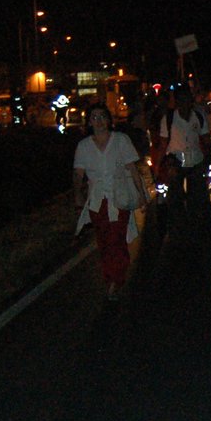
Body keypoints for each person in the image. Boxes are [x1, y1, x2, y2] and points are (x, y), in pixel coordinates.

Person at [73, 103, 148, 299]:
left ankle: (116, 280)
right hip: (97, 201)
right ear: (89, 122)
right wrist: (78, 197)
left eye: (102, 116)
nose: (98, 121)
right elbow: (78, 174)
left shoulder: (121, 140)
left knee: (117, 238)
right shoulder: (84, 147)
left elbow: (132, 168)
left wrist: (141, 195)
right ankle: (110, 278)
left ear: (109, 120)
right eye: (94, 117)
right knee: (104, 241)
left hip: (118, 198)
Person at [156, 84, 208, 216]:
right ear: (176, 101)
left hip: (196, 161)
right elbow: (163, 144)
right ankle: (177, 226)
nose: (184, 103)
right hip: (175, 162)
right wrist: (158, 165)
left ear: (191, 100)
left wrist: (208, 163)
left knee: (196, 198)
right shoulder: (168, 119)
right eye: (180, 99)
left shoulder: (199, 116)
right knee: (175, 198)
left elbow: (206, 140)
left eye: (186, 99)